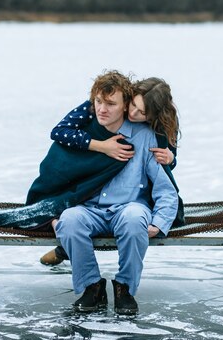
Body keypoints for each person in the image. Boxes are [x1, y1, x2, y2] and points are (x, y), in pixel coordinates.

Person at [54, 70, 178, 315]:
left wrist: (161, 220)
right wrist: (55, 212)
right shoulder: (85, 133)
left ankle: (125, 287)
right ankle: (92, 286)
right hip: (90, 208)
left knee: (135, 219)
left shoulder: (147, 136)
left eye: (111, 104)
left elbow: (166, 188)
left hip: (129, 206)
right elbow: (58, 177)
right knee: (69, 220)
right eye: (99, 102)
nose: (102, 109)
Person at [40, 76, 182, 266]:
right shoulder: (96, 106)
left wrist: (171, 158)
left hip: (131, 200)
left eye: (142, 113)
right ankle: (66, 246)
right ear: (128, 98)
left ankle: (71, 248)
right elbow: (59, 132)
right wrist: (101, 146)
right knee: (73, 216)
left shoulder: (157, 127)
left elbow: (165, 161)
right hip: (90, 201)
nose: (133, 113)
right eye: (132, 105)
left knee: (134, 212)